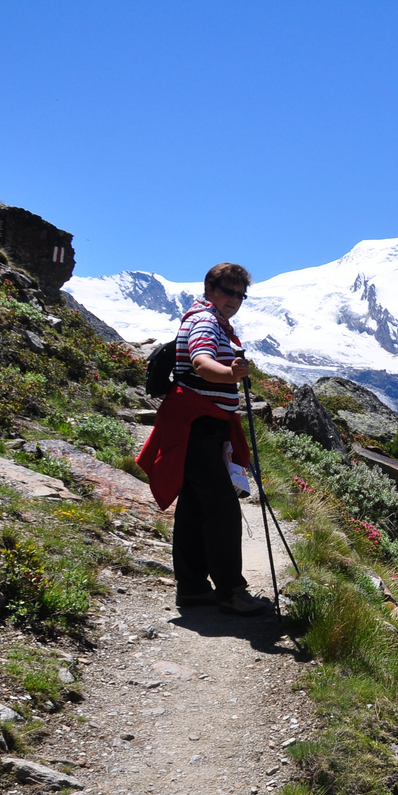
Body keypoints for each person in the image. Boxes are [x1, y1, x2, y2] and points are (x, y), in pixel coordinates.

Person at [136, 262, 270, 614]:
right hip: (199, 425)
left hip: (198, 424)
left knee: (196, 509)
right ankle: (231, 591)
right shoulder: (205, 322)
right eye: (229, 291)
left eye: (241, 294)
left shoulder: (209, 320)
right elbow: (200, 362)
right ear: (210, 289)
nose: (235, 300)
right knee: (223, 509)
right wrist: (230, 374)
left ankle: (193, 588)